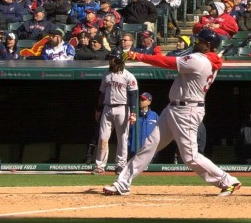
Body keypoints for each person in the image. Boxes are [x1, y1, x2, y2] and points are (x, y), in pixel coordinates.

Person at [103, 29, 242, 197]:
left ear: (208, 45)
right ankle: (122, 183)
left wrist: (136, 55)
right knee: (149, 146)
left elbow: (165, 62)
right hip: (174, 108)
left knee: (190, 156)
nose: (195, 43)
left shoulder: (199, 61)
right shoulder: (209, 60)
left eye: (199, 41)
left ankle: (228, 181)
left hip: (187, 110)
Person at [92, 48, 138, 175]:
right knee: (103, 138)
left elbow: (133, 95)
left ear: (118, 59)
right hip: (107, 108)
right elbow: (102, 93)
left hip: (122, 108)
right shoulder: (106, 75)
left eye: (112, 58)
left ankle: (120, 165)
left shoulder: (128, 76)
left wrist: (133, 112)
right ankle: (100, 166)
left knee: (123, 138)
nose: (110, 60)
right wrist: (98, 108)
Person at [128, 92, 159, 156]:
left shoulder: (154, 115)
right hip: (135, 151)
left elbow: (158, 133)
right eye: (140, 99)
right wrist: (128, 145)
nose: (140, 101)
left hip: (150, 151)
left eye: (143, 100)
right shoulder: (134, 115)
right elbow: (128, 132)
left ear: (149, 102)